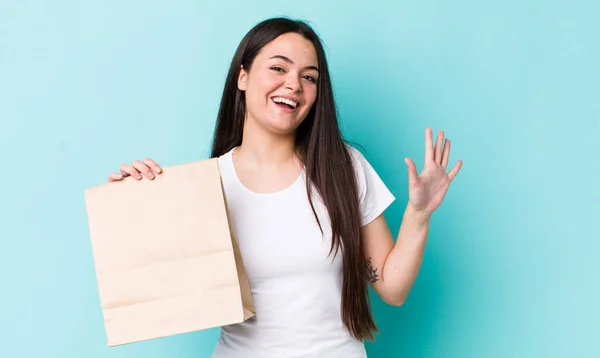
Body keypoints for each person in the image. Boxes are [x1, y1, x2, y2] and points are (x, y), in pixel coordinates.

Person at [107, 17, 462, 358]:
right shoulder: (205, 186)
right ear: (242, 76)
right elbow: (159, 291)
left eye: (309, 77)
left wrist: (418, 213)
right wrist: (137, 202)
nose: (294, 84)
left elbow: (392, 288)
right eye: (279, 68)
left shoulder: (344, 167)